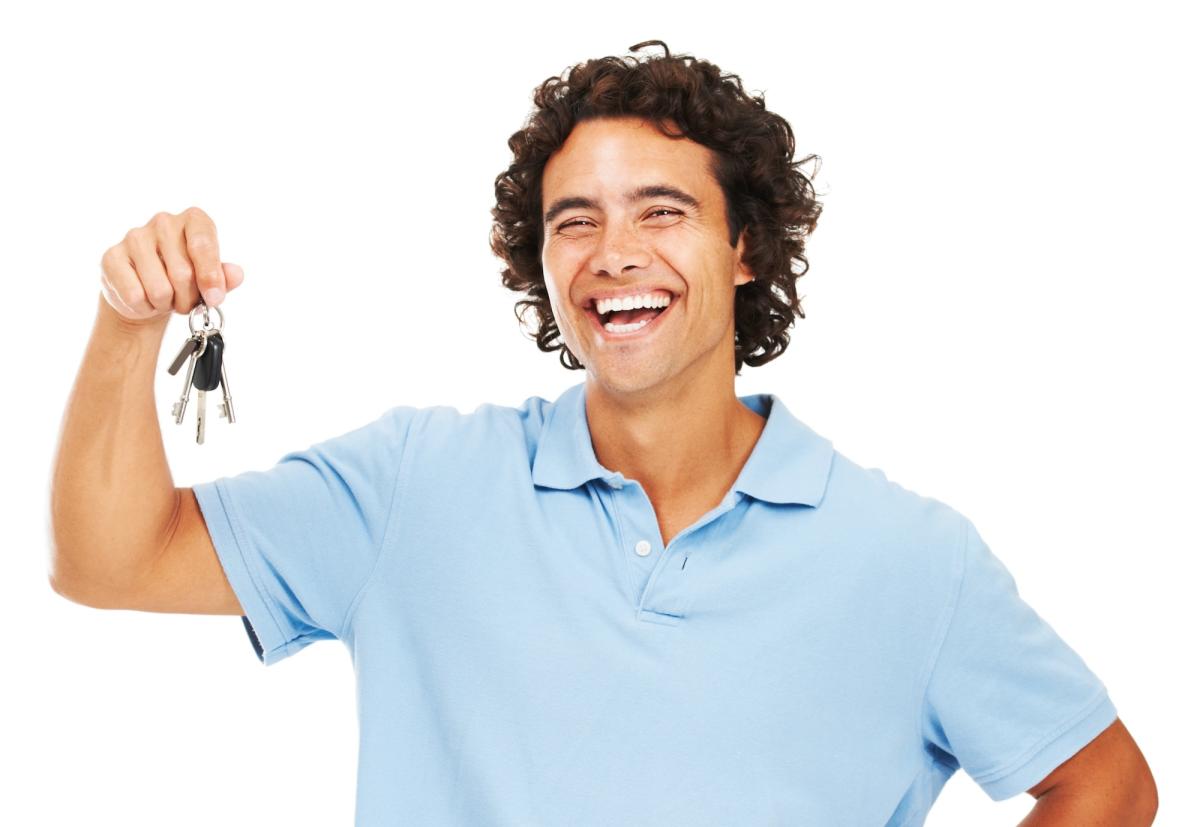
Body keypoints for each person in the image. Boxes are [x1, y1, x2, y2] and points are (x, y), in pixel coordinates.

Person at [49, 40, 1156, 826]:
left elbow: (1106, 783)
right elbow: (109, 559)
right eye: (574, 221)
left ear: (746, 247)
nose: (613, 251)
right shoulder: (415, 485)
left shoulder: (912, 559)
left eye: (662, 211)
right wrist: (128, 323)